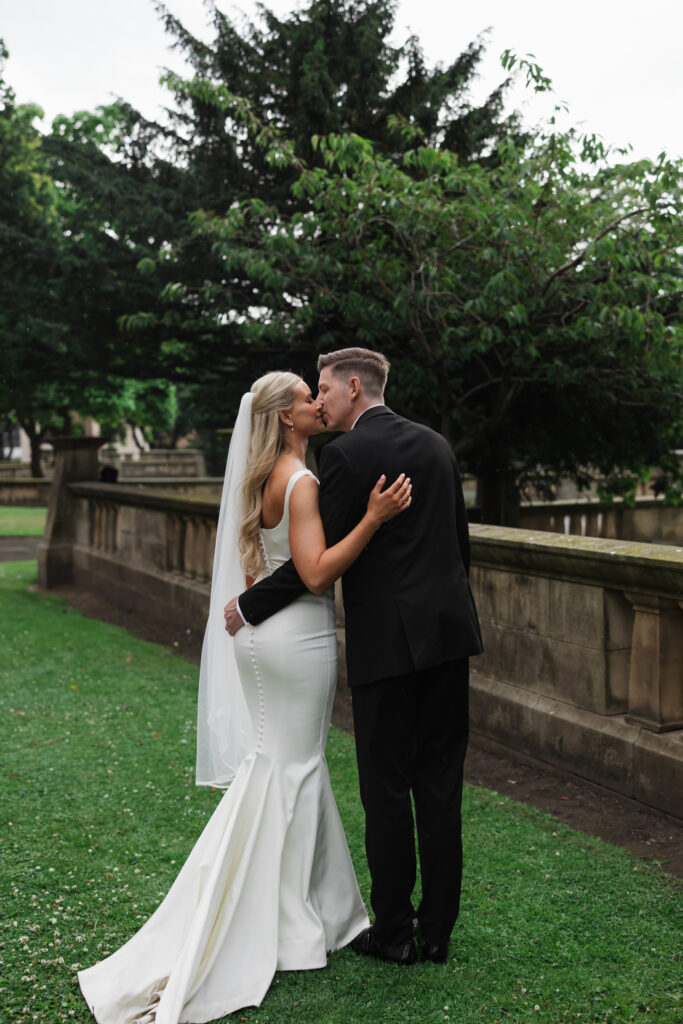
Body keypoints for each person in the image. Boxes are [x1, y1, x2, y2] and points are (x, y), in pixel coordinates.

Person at [78, 371, 411, 1024]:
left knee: (277, 767)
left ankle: (295, 910)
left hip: (260, 638)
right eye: (305, 400)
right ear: (286, 419)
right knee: (294, 767)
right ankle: (288, 923)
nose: (318, 405)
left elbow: (263, 566)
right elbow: (313, 574)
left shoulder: (258, 477)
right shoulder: (302, 481)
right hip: (295, 640)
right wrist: (372, 519)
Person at [225, 348, 483, 966]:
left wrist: (251, 605)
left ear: (354, 385)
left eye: (324, 388)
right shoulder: (437, 445)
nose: (319, 400)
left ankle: (394, 930)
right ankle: (439, 930)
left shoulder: (343, 457)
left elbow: (314, 565)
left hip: (387, 649)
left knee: (387, 791)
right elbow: (458, 549)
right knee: (442, 788)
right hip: (449, 641)